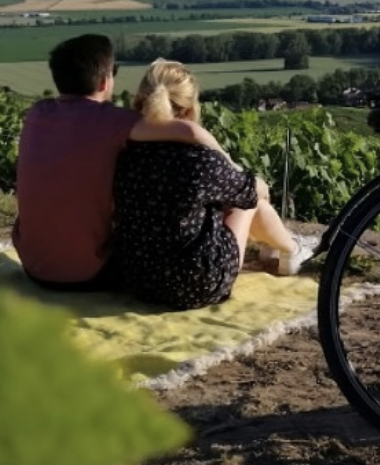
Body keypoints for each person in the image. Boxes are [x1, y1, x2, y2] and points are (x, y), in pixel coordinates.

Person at [13, 33, 231, 291]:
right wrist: (228, 165)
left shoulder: (38, 112)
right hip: (89, 274)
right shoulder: (114, 121)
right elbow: (189, 132)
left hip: (33, 266)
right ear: (105, 81)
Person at [109, 58, 312, 310]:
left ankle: (275, 249)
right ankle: (291, 250)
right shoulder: (200, 160)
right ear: (188, 109)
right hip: (196, 285)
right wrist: (234, 166)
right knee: (250, 200)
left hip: (137, 280)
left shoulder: (125, 153)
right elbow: (252, 191)